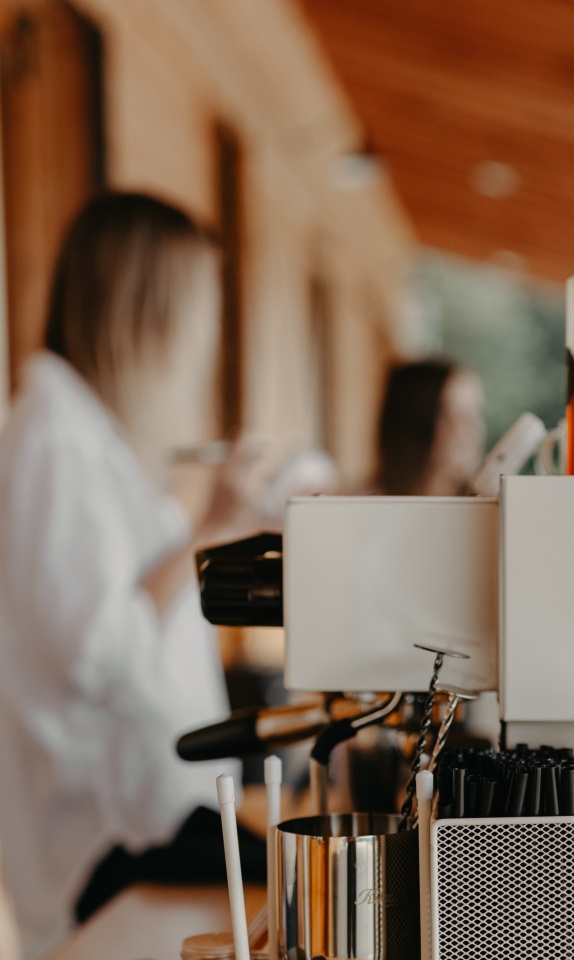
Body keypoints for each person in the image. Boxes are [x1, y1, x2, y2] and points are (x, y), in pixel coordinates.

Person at [0, 193, 267, 957]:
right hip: (110, 840)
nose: (201, 342)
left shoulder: (86, 440)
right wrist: (209, 528)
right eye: (196, 315)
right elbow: (97, 648)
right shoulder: (54, 442)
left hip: (149, 811)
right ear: (144, 310)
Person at [375, 359, 486, 496]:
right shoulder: (361, 506)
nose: (469, 429)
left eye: (473, 413)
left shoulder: (490, 507)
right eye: (445, 413)